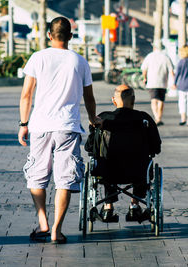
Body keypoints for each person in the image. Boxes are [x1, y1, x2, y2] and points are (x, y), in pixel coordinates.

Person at [18, 17, 100, 244]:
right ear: (71, 36)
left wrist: (23, 124)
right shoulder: (80, 61)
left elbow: (26, 95)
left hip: (40, 126)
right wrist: (93, 118)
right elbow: (89, 97)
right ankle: (56, 229)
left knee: (37, 175)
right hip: (67, 126)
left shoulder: (37, 58)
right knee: (65, 178)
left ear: (49, 35)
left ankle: (42, 221)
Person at [85, 84, 161, 223]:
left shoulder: (102, 119)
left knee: (103, 159)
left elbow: (90, 148)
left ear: (114, 101)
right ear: (133, 100)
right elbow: (156, 147)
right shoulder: (144, 119)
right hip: (137, 171)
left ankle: (108, 207)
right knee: (143, 164)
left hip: (108, 171)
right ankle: (134, 205)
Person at [141, 43, 174, 126]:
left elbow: (144, 69)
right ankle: (159, 117)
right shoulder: (166, 57)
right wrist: (172, 82)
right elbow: (171, 70)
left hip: (152, 82)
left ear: (154, 47)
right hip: (163, 82)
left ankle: (156, 117)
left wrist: (144, 78)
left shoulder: (149, 56)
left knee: (153, 100)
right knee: (161, 100)